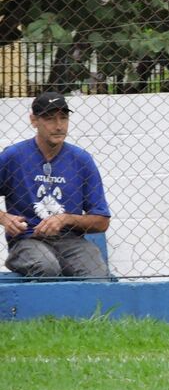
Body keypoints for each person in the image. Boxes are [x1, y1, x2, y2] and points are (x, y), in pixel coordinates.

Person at [0, 92, 111, 279]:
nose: (58, 126)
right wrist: (4, 218)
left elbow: (101, 221)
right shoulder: (14, 156)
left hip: (71, 240)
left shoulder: (81, 160)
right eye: (50, 119)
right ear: (34, 121)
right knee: (47, 268)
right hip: (27, 239)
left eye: (64, 118)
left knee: (97, 275)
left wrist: (65, 219)